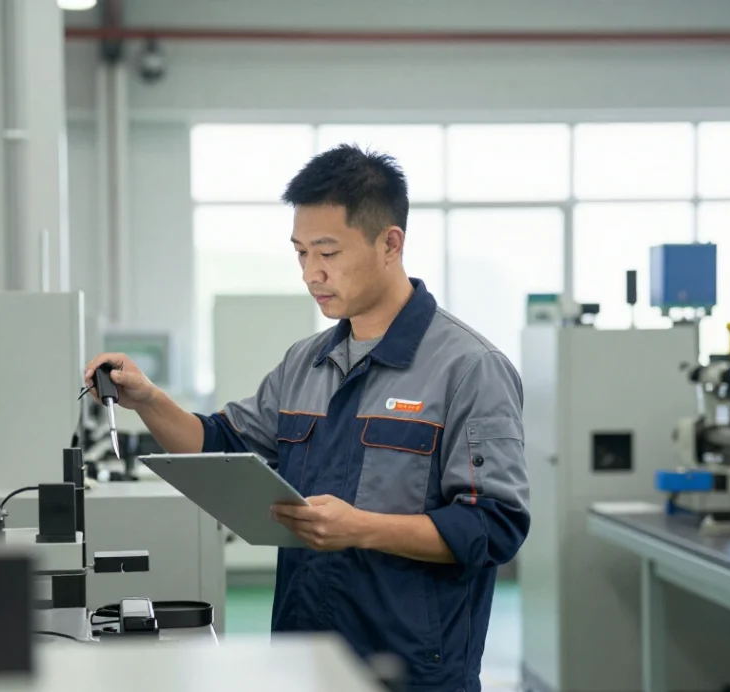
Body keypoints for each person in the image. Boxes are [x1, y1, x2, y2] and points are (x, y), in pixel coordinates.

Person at [84, 145, 530, 692]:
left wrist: (360, 529)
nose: (311, 274)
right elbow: (218, 444)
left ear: (391, 244)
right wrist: (148, 399)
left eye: (328, 253)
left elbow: (494, 527)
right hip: (303, 657)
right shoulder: (305, 363)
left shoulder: (469, 369)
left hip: (410, 670)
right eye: (300, 253)